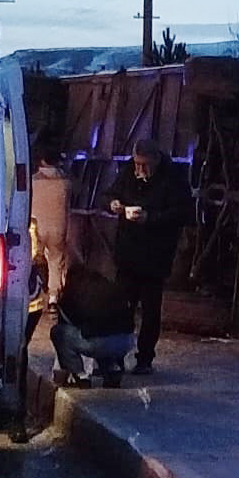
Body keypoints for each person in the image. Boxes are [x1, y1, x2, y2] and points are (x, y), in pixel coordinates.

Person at [104, 139, 190, 373]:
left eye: (144, 165)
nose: (139, 170)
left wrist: (150, 218)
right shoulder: (128, 174)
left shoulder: (173, 178)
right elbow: (110, 193)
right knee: (122, 308)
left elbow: (182, 212)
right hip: (128, 253)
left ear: (156, 160)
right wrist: (113, 203)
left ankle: (145, 358)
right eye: (136, 164)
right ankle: (116, 355)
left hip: (155, 256)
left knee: (151, 311)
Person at [51, 262, 136, 388]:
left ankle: (80, 375)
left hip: (97, 342)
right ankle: (113, 370)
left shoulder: (74, 291)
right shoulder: (110, 286)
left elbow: (65, 323)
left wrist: (61, 372)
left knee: (59, 332)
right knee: (104, 334)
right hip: (126, 341)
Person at [29, 138, 72, 307]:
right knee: (56, 260)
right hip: (58, 227)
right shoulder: (66, 183)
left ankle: (31, 292)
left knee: (30, 260)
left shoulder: (32, 181)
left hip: (35, 226)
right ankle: (53, 296)